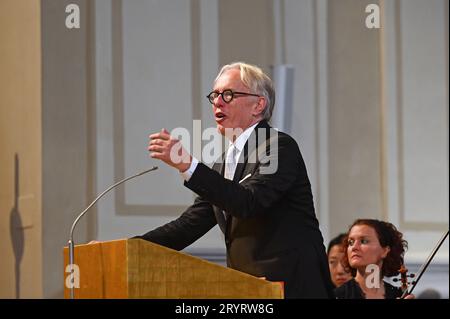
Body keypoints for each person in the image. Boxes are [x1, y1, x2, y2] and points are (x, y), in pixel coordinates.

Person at [136, 62, 334, 298]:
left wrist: (189, 165)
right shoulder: (222, 164)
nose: (218, 102)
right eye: (215, 95)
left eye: (228, 94)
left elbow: (249, 202)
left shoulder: (279, 147)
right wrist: (129, 248)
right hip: (249, 291)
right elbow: (189, 225)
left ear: (258, 104)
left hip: (292, 288)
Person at [335, 219, 412, 299]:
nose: (354, 247)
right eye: (351, 242)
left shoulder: (398, 295)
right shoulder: (337, 296)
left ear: (385, 251)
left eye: (364, 241)